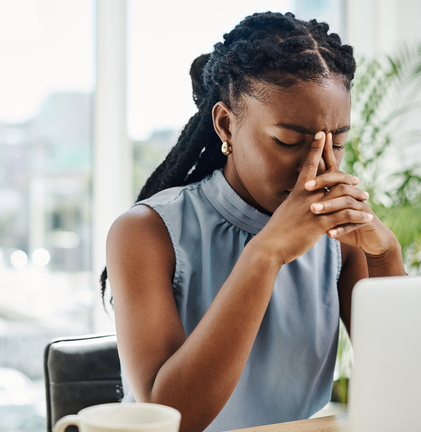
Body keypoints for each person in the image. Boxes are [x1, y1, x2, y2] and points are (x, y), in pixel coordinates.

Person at [100, 12, 405, 432]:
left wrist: (386, 255)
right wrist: (267, 251)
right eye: (289, 142)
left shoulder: (339, 236)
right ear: (227, 123)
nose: (317, 169)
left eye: (338, 142)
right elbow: (173, 419)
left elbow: (407, 376)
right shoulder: (146, 233)